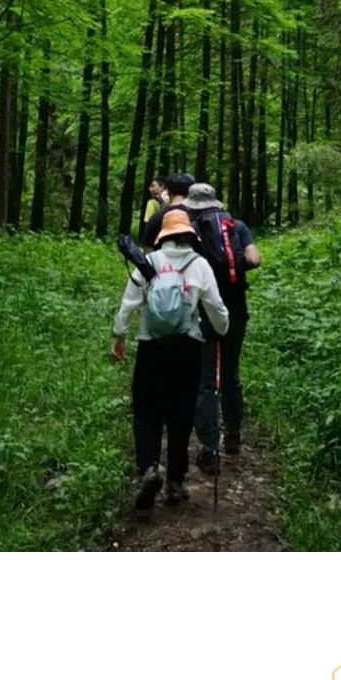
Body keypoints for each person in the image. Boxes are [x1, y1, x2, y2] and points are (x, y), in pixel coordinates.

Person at [111, 207, 229, 513]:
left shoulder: (148, 261)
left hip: (151, 347)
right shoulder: (200, 264)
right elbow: (217, 310)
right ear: (189, 234)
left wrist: (119, 334)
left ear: (163, 235)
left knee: (146, 412)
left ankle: (149, 468)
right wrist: (222, 328)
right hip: (187, 348)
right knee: (181, 415)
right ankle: (176, 482)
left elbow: (129, 302)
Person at [185, 183, 261, 473]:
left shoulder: (192, 232)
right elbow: (254, 259)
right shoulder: (237, 226)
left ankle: (209, 447)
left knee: (205, 378)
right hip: (236, 310)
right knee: (231, 371)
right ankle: (233, 436)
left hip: (202, 313)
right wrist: (235, 267)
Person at [142, 171, 194, 248]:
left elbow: (147, 249)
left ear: (168, 191)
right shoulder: (196, 216)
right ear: (190, 192)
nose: (150, 189)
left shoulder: (156, 218)